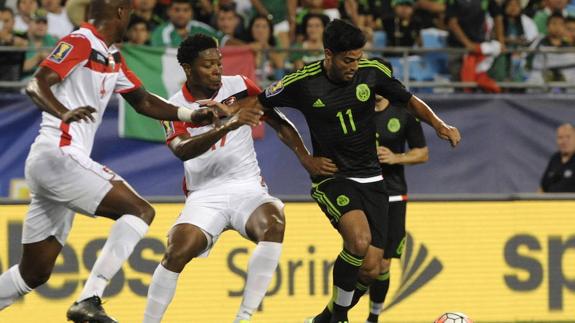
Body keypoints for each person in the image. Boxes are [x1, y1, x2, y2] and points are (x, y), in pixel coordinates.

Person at [206, 19, 461, 323]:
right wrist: (304, 157)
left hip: (373, 179)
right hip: (333, 177)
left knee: (372, 267)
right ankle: (339, 317)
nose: (354, 65)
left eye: (358, 58)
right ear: (328, 54)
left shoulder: (372, 73)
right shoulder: (303, 82)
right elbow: (259, 103)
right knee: (358, 240)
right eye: (347, 59)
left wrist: (440, 125)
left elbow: (409, 101)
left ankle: (325, 318)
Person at [0, 0, 219, 322]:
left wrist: (191, 114)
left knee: (34, 273)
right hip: (58, 153)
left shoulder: (111, 56)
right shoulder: (79, 41)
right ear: (119, 12)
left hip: (57, 165)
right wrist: (63, 112)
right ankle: (90, 297)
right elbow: (37, 82)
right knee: (140, 211)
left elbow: (143, 101)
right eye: (130, 12)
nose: (131, 17)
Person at [142, 33, 311, 323]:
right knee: (177, 251)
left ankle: (243, 318)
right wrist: (227, 126)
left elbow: (276, 118)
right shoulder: (173, 106)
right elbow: (182, 150)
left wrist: (306, 158)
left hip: (247, 187)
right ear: (187, 68)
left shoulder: (240, 86)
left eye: (219, 63)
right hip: (205, 194)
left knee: (274, 222)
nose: (217, 70)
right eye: (208, 65)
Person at [362, 92, 429, 323]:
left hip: (393, 194)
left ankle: (373, 317)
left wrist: (396, 158)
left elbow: (422, 153)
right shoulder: (358, 111)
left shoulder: (404, 114)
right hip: (363, 193)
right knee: (362, 260)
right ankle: (337, 311)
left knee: (383, 263)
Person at [540, 123, 575, 192]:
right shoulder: (555, 158)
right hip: (549, 201)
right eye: (560, 137)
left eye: (568, 137)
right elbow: (543, 188)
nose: (564, 141)